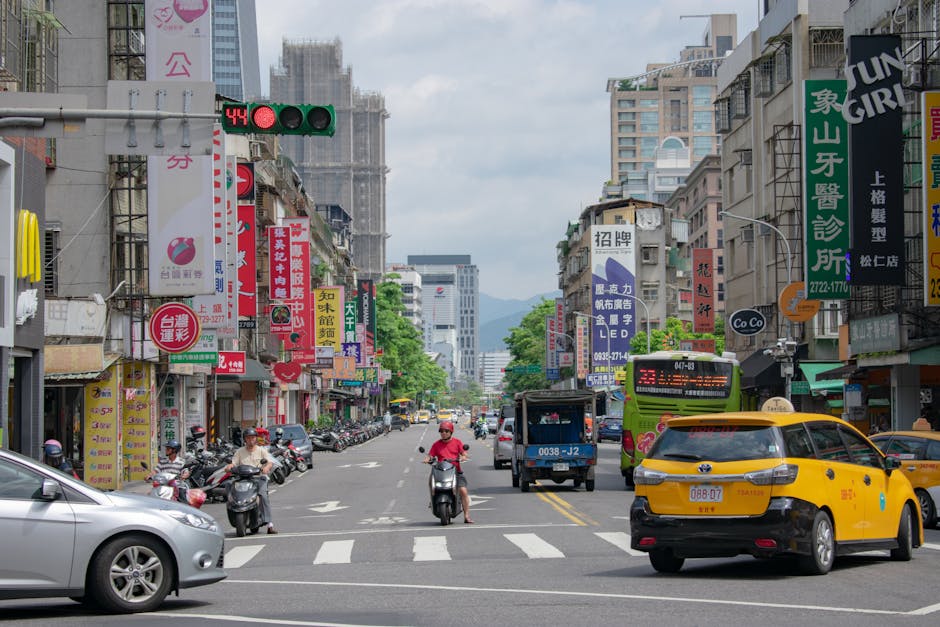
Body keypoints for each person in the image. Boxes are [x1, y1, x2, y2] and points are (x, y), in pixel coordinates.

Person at [225, 427, 278, 534]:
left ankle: (269, 524)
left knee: (263, 496)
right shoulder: (239, 451)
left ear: (256, 439)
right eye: (248, 438)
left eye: (253, 438)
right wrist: (229, 467)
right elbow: (233, 463)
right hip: (242, 479)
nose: (250, 440)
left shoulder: (261, 450)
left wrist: (266, 467)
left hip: (258, 478)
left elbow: (269, 462)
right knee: (229, 486)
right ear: (245, 439)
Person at [423, 420, 473, 524]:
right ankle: (432, 500)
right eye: (441, 431)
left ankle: (467, 516)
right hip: (441, 472)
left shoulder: (457, 442)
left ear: (451, 432)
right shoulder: (436, 444)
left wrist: (463, 456)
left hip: (455, 472)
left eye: (446, 431)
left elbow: (464, 453)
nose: (443, 433)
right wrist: (427, 459)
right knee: (431, 483)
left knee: (463, 491)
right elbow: (430, 455)